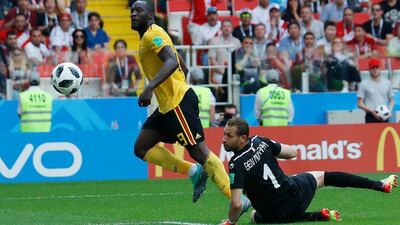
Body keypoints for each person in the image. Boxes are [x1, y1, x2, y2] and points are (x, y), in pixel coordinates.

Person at [130, 1, 251, 210]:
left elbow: (172, 62)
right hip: (169, 106)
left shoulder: (152, 33)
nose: (133, 14)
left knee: (200, 153)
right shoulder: (150, 36)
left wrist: (151, 87)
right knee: (140, 148)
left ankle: (238, 200)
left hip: (177, 103)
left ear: (150, 15)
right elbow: (182, 64)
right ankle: (194, 172)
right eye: (132, 10)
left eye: (139, 10)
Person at [219, 117, 398, 225]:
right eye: (224, 134)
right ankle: (380, 185)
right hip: (295, 194)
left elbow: (236, 204)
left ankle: (317, 216)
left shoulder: (235, 163)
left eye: (229, 135)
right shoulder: (260, 141)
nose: (223, 139)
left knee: (253, 216)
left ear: (242, 138)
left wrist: (230, 222)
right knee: (323, 176)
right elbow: (293, 153)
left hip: (273, 214)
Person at [357, 58, 394, 123]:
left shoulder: (387, 83)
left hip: (384, 115)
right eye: (372, 68)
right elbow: (359, 103)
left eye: (377, 67)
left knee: (385, 133)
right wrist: (371, 111)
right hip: (370, 116)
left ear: (380, 69)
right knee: (370, 133)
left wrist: (389, 110)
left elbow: (391, 100)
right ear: (369, 70)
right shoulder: (363, 84)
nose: (375, 70)